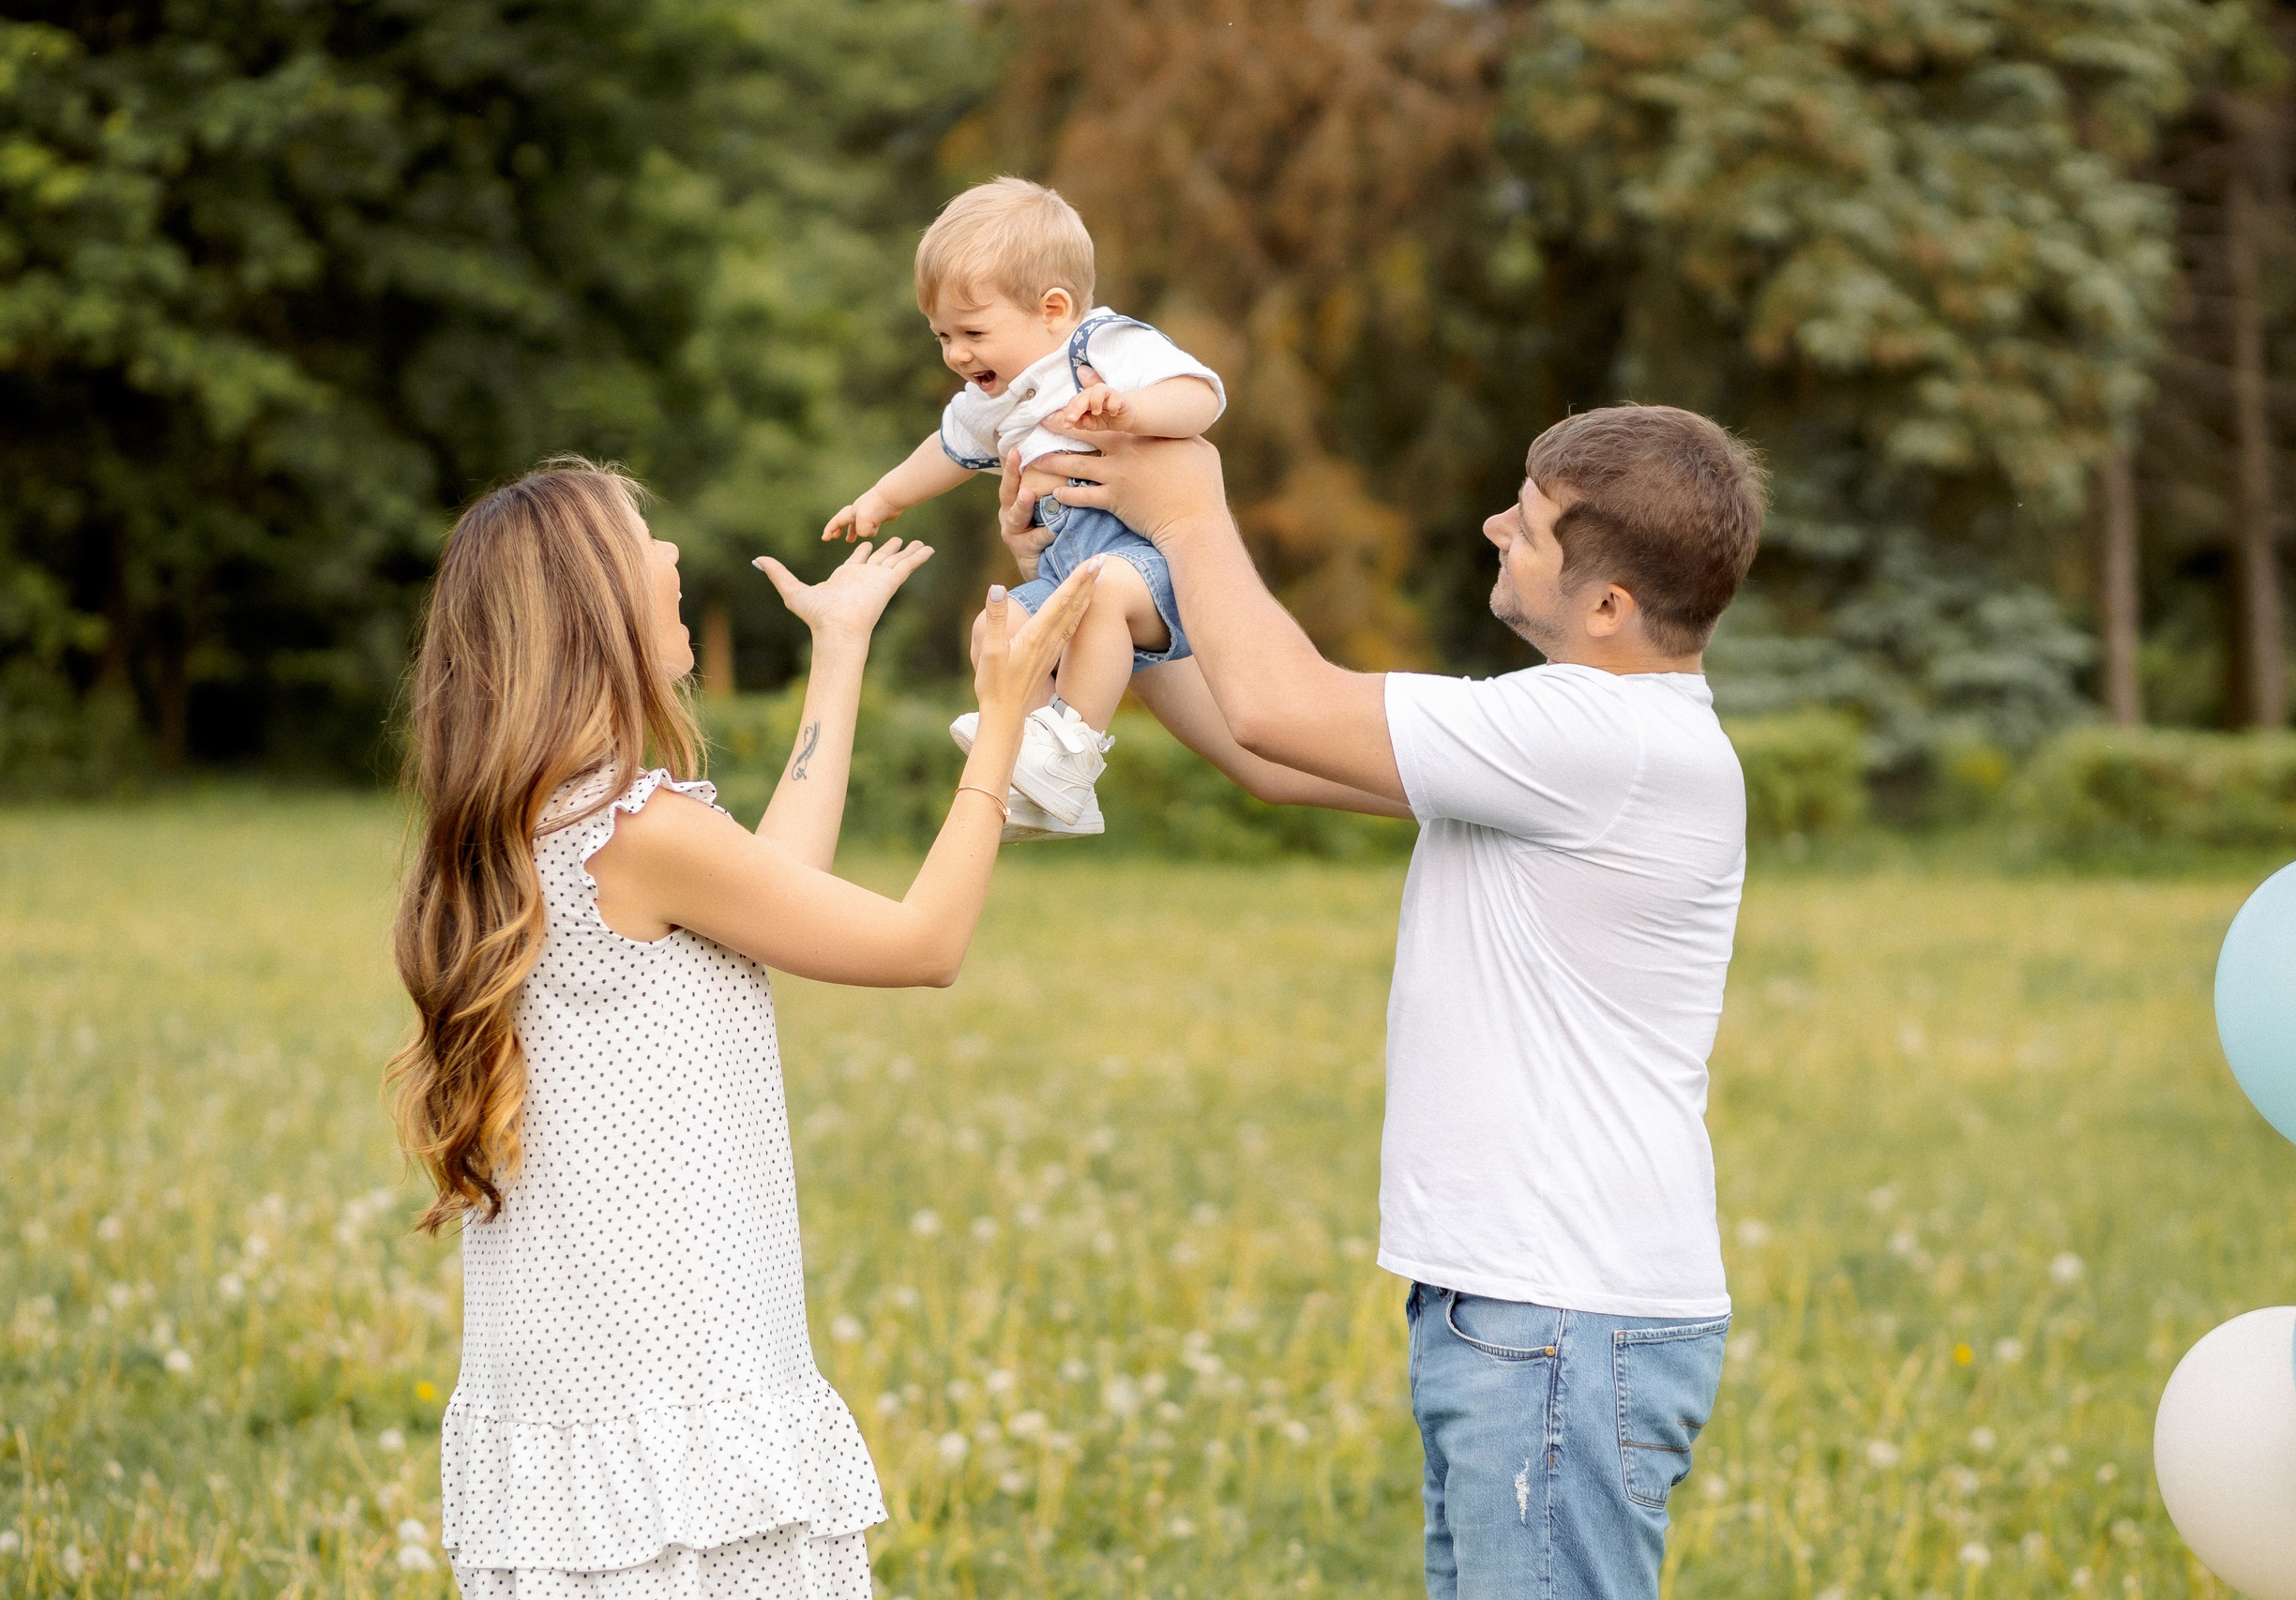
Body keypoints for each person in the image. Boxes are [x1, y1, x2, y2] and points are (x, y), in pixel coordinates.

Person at [1037, 406, 1767, 1600]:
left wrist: (1184, 504)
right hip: (1525, 1310)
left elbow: (1281, 706)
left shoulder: (1597, 737)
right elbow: (1271, 752)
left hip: (1559, 1318)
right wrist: (1111, 591)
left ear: (1607, 607)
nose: (1493, 525)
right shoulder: (1573, 735)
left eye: (1525, 524)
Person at [382, 458, 1098, 1600]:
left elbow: (768, 889)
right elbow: (923, 943)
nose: (670, 560)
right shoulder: (637, 827)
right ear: (591, 607)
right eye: (640, 543)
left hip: (578, 1426)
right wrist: (1002, 727)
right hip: (679, 1423)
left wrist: (839, 648)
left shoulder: (537, 821)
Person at [826, 175, 1402, 837]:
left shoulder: (1098, 349)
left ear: (1052, 309)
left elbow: (1201, 395)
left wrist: (1134, 409)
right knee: (998, 628)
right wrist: (882, 496)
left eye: (973, 332)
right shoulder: (995, 398)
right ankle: (1032, 775)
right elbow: (947, 449)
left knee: (1099, 591)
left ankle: (1069, 754)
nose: (957, 354)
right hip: (1066, 574)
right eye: (942, 337)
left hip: (1147, 568)